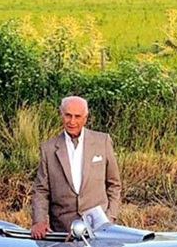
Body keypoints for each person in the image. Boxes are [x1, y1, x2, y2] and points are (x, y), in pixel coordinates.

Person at [30, 96, 121, 239]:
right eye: (68, 115)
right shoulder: (48, 148)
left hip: (99, 229)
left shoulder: (102, 142)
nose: (72, 122)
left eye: (77, 116)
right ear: (61, 114)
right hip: (62, 231)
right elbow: (41, 190)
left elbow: (114, 184)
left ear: (85, 118)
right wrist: (39, 220)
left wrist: (110, 218)